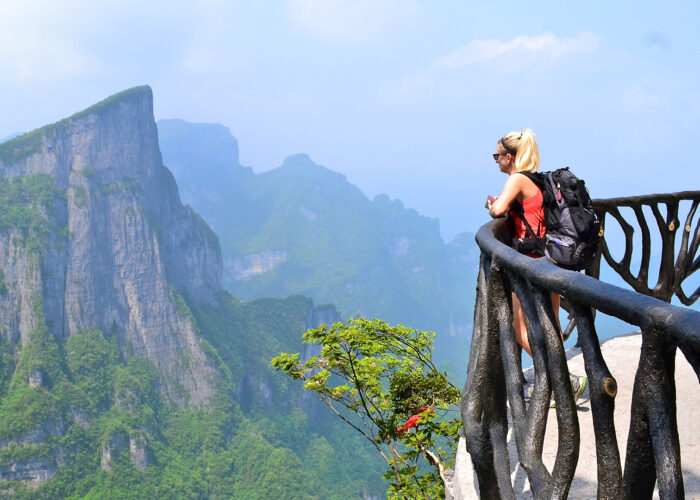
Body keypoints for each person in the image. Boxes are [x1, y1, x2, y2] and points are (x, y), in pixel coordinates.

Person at [486, 128, 586, 403]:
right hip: (550, 258)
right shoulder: (540, 179)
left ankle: (564, 382)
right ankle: (562, 382)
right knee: (550, 325)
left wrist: (493, 205)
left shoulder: (517, 179)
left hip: (528, 263)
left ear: (509, 157)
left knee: (520, 329)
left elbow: (497, 210)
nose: (496, 161)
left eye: (497, 156)